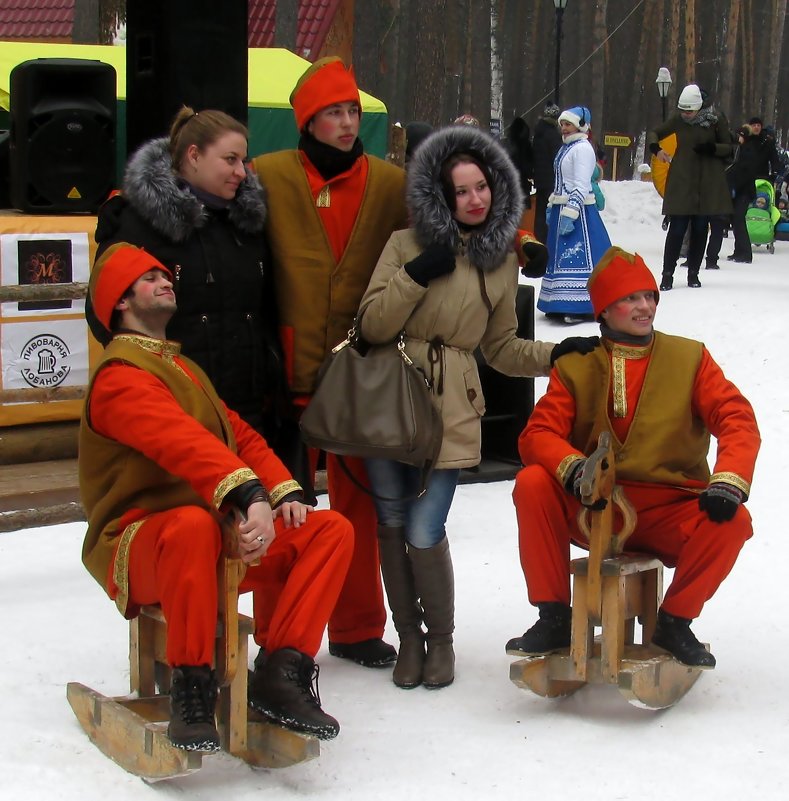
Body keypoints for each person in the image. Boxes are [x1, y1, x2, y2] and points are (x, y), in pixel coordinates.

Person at [79, 244, 354, 750]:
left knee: (328, 530)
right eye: (147, 277)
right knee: (190, 524)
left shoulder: (184, 369)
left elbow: (237, 435)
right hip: (140, 544)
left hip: (209, 537)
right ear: (119, 302)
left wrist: (281, 490)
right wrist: (247, 495)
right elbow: (183, 444)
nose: (165, 280)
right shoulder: (118, 377)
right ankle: (192, 689)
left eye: (165, 273)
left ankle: (281, 673)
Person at [356, 125, 599, 690]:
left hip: (451, 408)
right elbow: (371, 325)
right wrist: (417, 275)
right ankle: (409, 639)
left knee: (424, 527)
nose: (475, 199)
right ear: (441, 197)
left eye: (482, 187)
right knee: (391, 524)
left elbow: (500, 349)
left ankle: (440, 640)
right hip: (389, 396)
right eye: (461, 190)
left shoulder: (498, 260)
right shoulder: (404, 245)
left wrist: (557, 354)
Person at [507, 247, 760, 669]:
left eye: (650, 295)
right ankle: (553, 615)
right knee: (532, 482)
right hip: (593, 509)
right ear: (603, 310)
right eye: (630, 298)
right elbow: (538, 434)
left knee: (734, 521)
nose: (645, 306)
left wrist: (728, 479)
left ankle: (675, 621)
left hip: (666, 511)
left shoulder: (690, 358)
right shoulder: (577, 364)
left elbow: (736, 418)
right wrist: (575, 470)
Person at [250, 57, 408, 669]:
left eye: (352, 112)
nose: (347, 124)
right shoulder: (267, 177)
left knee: (358, 506)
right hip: (286, 371)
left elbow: (442, 232)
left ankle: (357, 627)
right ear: (307, 121)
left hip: (361, 376)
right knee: (284, 506)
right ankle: (279, 632)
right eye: (333, 113)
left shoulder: (391, 185)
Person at [90, 108, 290, 458]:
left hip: (248, 407)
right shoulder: (139, 226)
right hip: (175, 405)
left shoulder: (248, 226)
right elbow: (103, 312)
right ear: (194, 156)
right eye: (230, 160)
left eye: (244, 161)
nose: (241, 172)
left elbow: (266, 311)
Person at [648, 84, 733, 290]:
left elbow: (729, 147)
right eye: (683, 110)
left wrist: (712, 148)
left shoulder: (715, 120)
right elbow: (655, 132)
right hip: (682, 179)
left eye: (689, 111)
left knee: (700, 228)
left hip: (707, 180)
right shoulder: (678, 120)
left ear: (699, 107)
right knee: (677, 229)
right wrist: (656, 149)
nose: (685, 114)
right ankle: (667, 274)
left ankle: (693, 273)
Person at [538, 106, 612, 324]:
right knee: (561, 258)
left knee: (579, 258)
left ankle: (584, 306)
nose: (564, 128)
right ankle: (559, 302)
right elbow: (561, 181)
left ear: (580, 125)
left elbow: (580, 185)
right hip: (564, 207)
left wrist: (571, 212)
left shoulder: (583, 149)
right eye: (562, 124)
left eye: (568, 124)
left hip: (579, 212)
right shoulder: (567, 148)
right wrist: (553, 205)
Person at [725, 124, 761, 263]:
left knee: (739, 220)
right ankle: (738, 251)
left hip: (744, 191)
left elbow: (745, 172)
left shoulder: (748, 150)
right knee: (736, 220)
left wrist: (735, 185)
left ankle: (746, 253)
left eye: (740, 135)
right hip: (739, 190)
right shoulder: (742, 149)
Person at [531, 100, 562, 244]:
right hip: (551, 178)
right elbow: (557, 158)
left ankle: (539, 236)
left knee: (540, 210)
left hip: (541, 178)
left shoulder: (539, 132)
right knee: (548, 211)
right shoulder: (553, 134)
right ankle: (546, 240)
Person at [747, 116, 782, 182]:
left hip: (763, 177)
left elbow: (774, 159)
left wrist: (774, 173)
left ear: (761, 127)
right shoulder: (745, 140)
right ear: (750, 127)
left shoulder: (767, 142)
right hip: (746, 177)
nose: (756, 127)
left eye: (758, 125)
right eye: (754, 125)